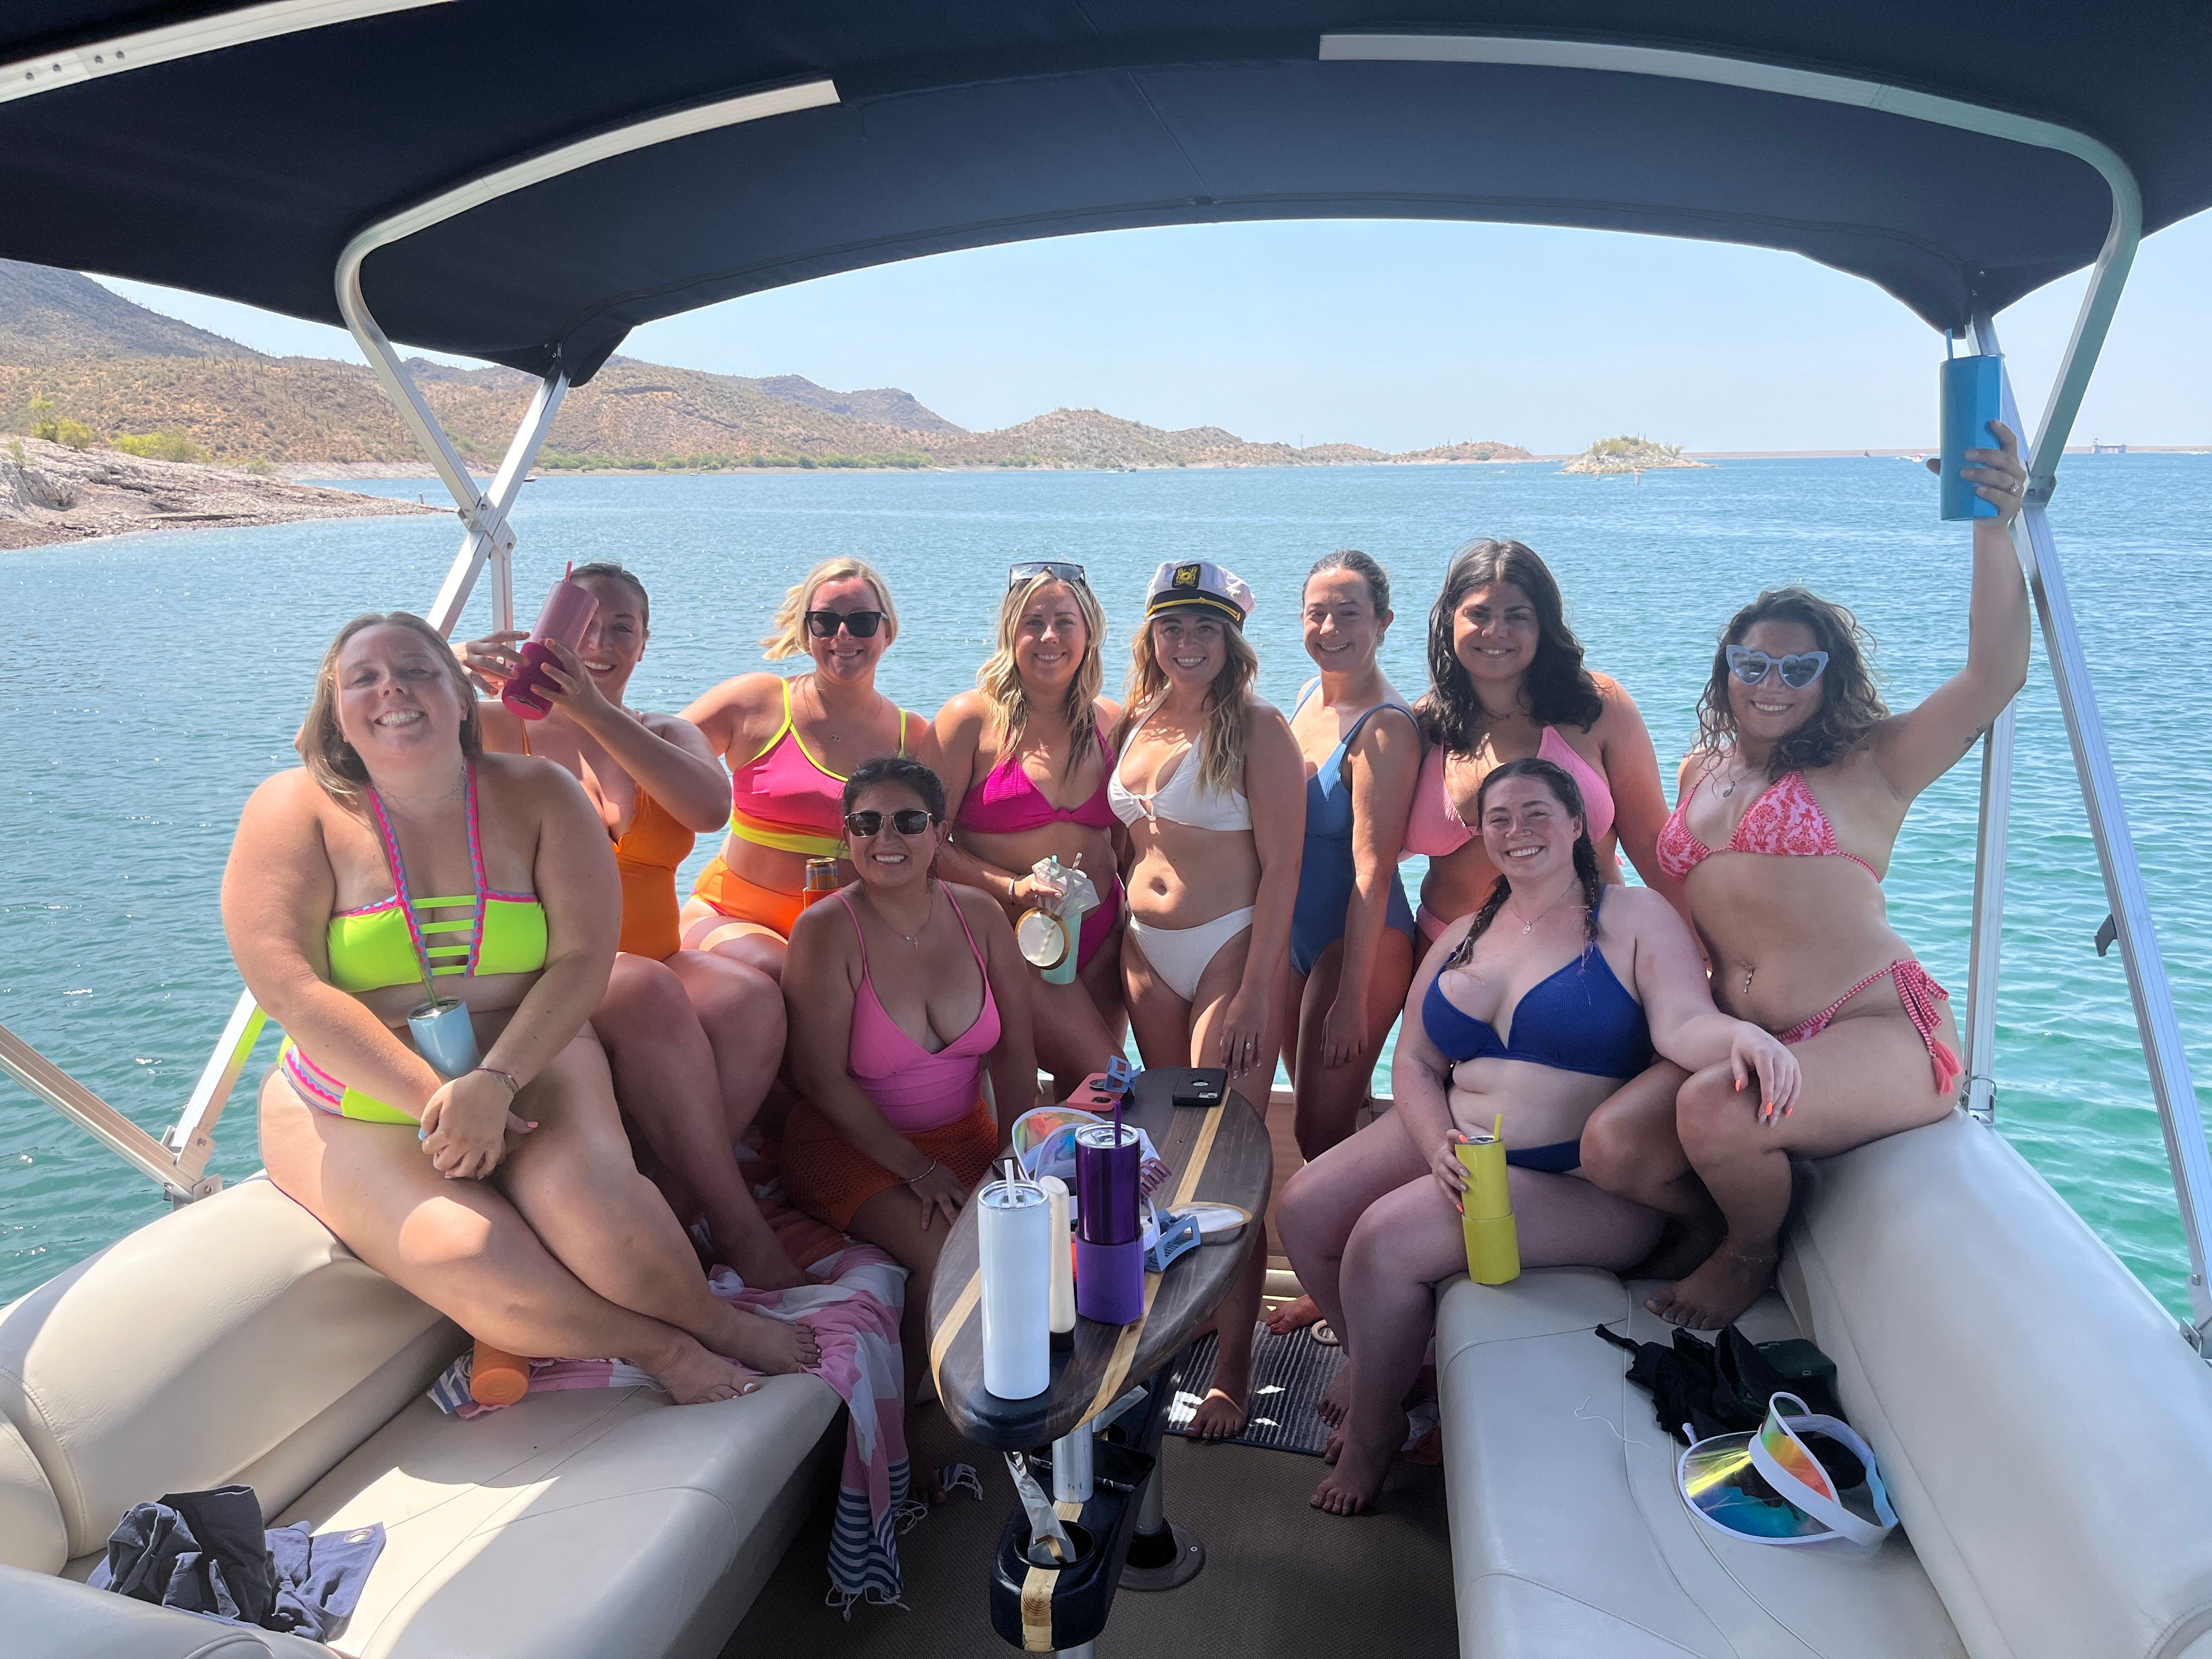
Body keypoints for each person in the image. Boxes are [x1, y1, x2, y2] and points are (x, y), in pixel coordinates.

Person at [228, 613, 818, 1410]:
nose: (392, 688)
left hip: (529, 1056)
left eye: (416, 669)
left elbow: (583, 957)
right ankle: (659, 1346)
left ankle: (712, 1316)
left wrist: (496, 1082)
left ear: (464, 699)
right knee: (467, 1254)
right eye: (363, 677)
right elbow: (290, 987)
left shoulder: (542, 794)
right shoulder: (291, 809)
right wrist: (442, 1104)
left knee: (612, 1228)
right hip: (355, 1091)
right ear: (336, 710)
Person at [1276, 758, 1799, 1515]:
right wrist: (1432, 1148)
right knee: (1304, 1209)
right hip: (1457, 1138)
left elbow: (1683, 1023)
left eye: (1537, 813)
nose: (1518, 831)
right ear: (1481, 836)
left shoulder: (1633, 918)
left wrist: (1742, 1043)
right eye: (1500, 819)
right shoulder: (1465, 933)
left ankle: (1375, 1432)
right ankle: (1382, 1360)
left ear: (1579, 823)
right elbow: (1418, 1063)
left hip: (1575, 1184)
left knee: (1380, 1246)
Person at [1596, 425, 2030, 1330]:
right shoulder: (1699, 771)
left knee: (1714, 1110)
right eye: (1752, 663)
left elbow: (1993, 675)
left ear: (1827, 675)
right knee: (1611, 1146)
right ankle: (1734, 1209)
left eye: (1798, 665)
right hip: (1749, 1031)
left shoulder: (1875, 762)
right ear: (1727, 669)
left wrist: (1996, 525)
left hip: (1876, 1025)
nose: (1772, 682)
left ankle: (1750, 1250)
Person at [455, 563, 808, 1289]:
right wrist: (446, 663)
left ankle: (672, 1210)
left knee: (749, 999)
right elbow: (348, 743)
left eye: (623, 626)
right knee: (644, 988)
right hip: (548, 969)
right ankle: (737, 1223)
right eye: (585, 622)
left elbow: (710, 810)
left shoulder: (663, 732)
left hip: (654, 955)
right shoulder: (496, 727)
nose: (602, 639)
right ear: (552, 630)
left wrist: (593, 712)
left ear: (644, 646)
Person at [1111, 559, 1304, 1438]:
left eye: (1205, 629)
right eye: (1172, 627)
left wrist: (1260, 990)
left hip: (1225, 953)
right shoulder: (1138, 719)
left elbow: (1286, 869)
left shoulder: (1258, 728)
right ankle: (1182, 1319)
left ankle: (1233, 1365)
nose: (1187, 643)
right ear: (1151, 635)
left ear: (1233, 640)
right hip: (1145, 957)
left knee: (1228, 1158)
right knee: (1172, 1149)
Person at [779, 755, 1039, 1392]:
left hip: (964, 1134)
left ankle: (1024, 1389)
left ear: (938, 832)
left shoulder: (980, 916)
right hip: (847, 1145)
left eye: (907, 821)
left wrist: (1016, 1150)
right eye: (865, 823)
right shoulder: (825, 931)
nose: (885, 839)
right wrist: (916, 1169)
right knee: (945, 1253)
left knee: (1036, 1230)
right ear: (845, 837)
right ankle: (915, 1428)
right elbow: (820, 1082)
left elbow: (1014, 1053)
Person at [1403, 538, 1675, 944]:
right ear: (1449, 620)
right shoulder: (1424, 724)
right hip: (1449, 956)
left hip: (1588, 952)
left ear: (1543, 625)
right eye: (1479, 614)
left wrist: (1701, 952)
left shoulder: (1598, 706)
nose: (1496, 631)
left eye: (1518, 616)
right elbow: (1370, 850)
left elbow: (1652, 843)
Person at [680, 557, 940, 980]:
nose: (843, 634)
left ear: (887, 631)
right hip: (731, 916)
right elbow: (654, 753)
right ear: (806, 632)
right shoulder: (756, 702)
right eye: (825, 621)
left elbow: (937, 843)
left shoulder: (912, 739)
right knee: (790, 972)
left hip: (845, 931)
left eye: (861, 621)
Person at [934, 562, 1126, 1098]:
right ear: (1010, 634)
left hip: (1103, 934)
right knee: (1111, 1081)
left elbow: (1129, 835)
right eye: (1032, 623)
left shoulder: (1110, 721)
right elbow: (926, 842)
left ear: (1089, 632)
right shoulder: (969, 720)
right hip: (1019, 938)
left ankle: (1068, 1184)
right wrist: (1012, 888)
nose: (1048, 637)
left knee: (1085, 1098)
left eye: (1064, 622)